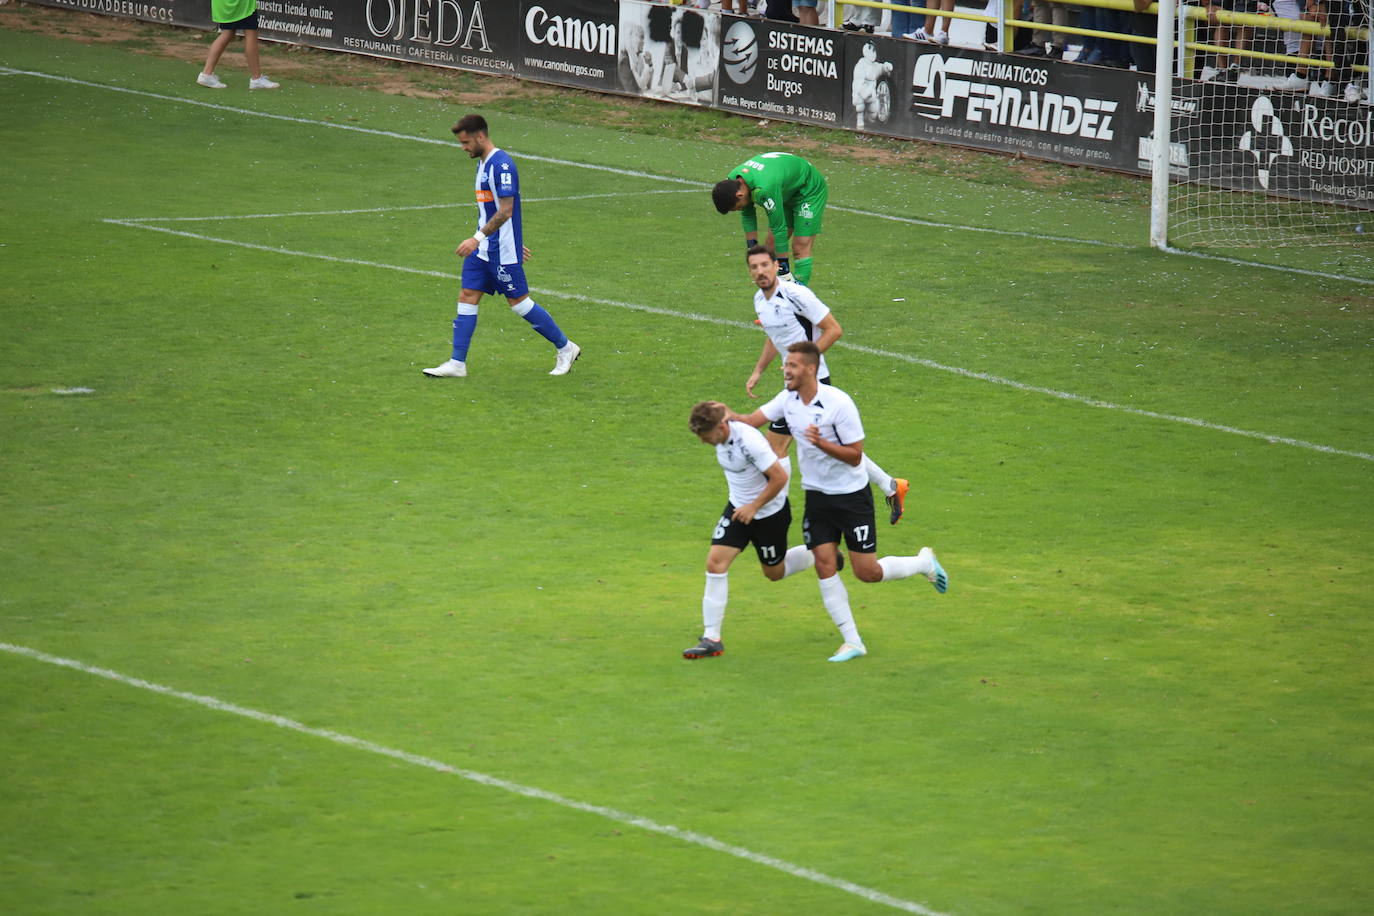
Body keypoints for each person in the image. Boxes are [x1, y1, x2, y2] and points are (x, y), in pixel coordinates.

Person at [727, 342, 948, 663]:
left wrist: (822, 444)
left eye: (792, 366)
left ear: (811, 369)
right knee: (825, 563)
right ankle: (852, 640)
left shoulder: (839, 404)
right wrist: (727, 417)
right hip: (818, 499)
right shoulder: (787, 400)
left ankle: (923, 563)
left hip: (851, 499)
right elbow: (751, 420)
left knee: (866, 572)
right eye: (785, 364)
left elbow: (855, 455)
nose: (785, 370)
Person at [742, 245, 909, 525]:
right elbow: (775, 334)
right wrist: (758, 370)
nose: (760, 271)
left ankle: (767, 513)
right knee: (817, 447)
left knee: (776, 450)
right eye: (754, 267)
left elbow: (834, 329)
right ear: (750, 272)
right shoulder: (760, 300)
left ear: (775, 266)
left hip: (813, 384)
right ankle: (891, 486)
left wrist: (805, 365)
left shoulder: (796, 295)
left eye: (764, 265)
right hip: (794, 385)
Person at [424, 114, 581, 379]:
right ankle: (457, 363)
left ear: (480, 136)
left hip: (498, 250)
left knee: (518, 303)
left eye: (465, 142)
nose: (463, 148)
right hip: (484, 249)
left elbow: (506, 211)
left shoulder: (502, 166)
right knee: (467, 295)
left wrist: (479, 239)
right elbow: (491, 212)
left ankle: (566, 347)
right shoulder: (482, 165)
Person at [682, 401, 825, 659]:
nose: (702, 441)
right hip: (738, 510)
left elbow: (780, 477)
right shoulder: (721, 433)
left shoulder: (749, 442)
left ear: (722, 427)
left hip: (769, 514)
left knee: (774, 572)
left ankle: (821, 553)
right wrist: (745, 506)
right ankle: (712, 638)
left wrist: (755, 505)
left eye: (705, 435)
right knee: (715, 564)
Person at [712, 152, 828, 286]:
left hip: (808, 190)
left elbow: (779, 229)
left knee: (800, 246)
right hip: (786, 189)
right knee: (771, 245)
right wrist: (752, 247)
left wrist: (783, 268)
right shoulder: (733, 181)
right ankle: (775, 294)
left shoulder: (765, 188)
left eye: (735, 208)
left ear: (739, 195)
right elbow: (747, 213)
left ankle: (800, 296)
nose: (738, 210)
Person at [198, 0, 279, 90]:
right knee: (250, 33)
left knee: (228, 32)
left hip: (224, 4)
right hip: (241, 6)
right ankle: (257, 78)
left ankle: (206, 74)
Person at [851, 39, 894, 131]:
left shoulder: (875, 66)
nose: (873, 54)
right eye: (871, 51)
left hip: (872, 93)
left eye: (874, 52)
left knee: (874, 111)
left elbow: (882, 68)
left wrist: (886, 67)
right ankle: (860, 122)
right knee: (860, 106)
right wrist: (864, 92)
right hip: (860, 92)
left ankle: (870, 124)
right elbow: (858, 83)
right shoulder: (860, 65)